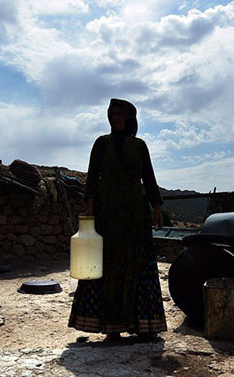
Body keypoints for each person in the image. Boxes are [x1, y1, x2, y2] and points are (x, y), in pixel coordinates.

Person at [68, 98, 167, 341]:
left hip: (135, 214)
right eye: (112, 114)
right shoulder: (102, 144)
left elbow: (149, 178)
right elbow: (92, 176)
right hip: (107, 213)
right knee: (108, 266)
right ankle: (111, 327)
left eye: (120, 114)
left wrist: (157, 206)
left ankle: (144, 325)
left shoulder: (140, 146)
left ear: (129, 117)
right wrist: (89, 205)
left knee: (138, 265)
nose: (116, 118)